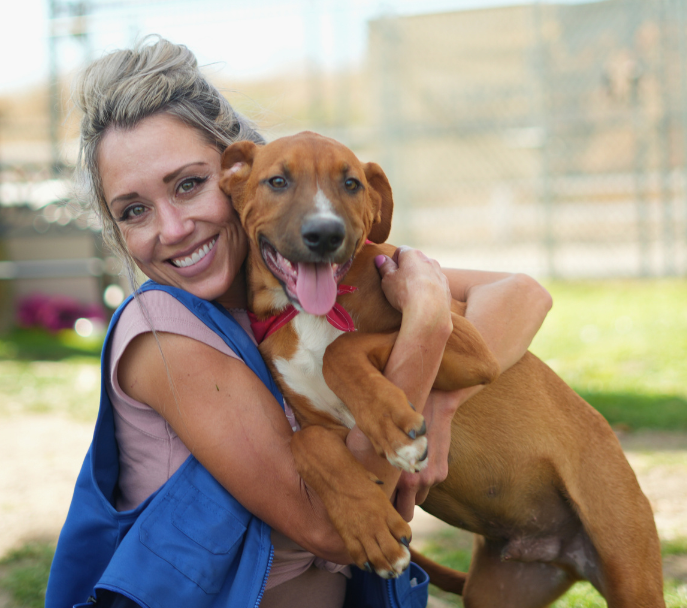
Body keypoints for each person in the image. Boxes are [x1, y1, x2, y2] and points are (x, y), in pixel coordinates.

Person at [45, 37, 552, 608]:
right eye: (133, 211)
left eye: (189, 185)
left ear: (239, 172)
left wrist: (443, 402)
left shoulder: (309, 272)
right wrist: (426, 332)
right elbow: (331, 525)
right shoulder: (162, 328)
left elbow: (522, 294)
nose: (173, 228)